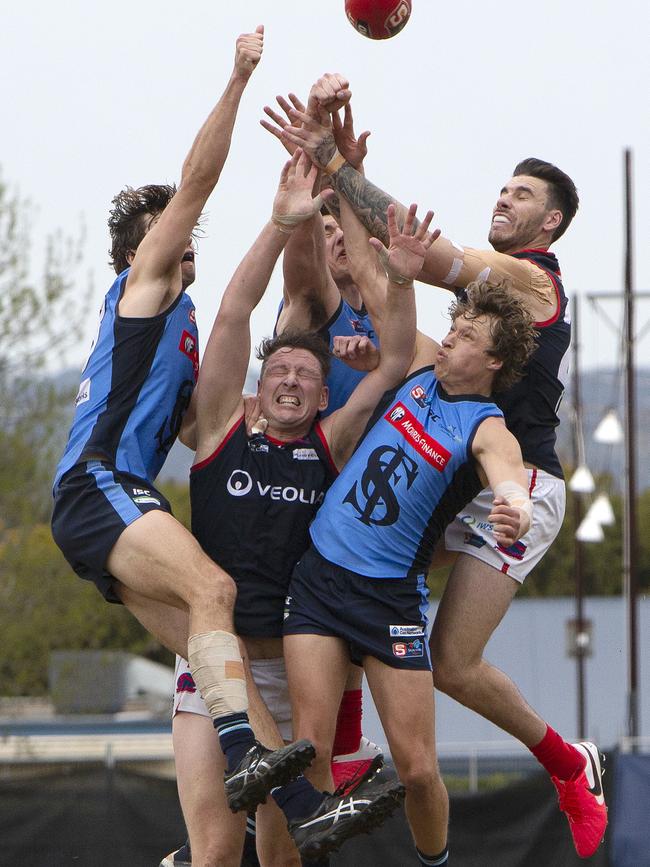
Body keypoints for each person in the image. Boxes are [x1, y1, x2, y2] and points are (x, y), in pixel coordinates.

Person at [278, 72, 607, 860]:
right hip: (468, 473)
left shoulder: (532, 279)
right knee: (357, 546)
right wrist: (379, 349)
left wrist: (337, 166)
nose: (504, 197)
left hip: (517, 480)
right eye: (500, 185)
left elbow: (418, 253)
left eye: (521, 193)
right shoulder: (469, 339)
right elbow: (414, 337)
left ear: (550, 222)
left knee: (454, 663)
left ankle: (569, 765)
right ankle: (350, 742)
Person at [50, 30, 329, 867]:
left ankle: (304, 799)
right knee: (216, 584)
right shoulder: (146, 284)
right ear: (139, 249)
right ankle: (247, 755)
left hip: (118, 506)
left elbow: (237, 333)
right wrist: (239, 78)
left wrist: (287, 240)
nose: (184, 233)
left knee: (224, 658)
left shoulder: (180, 328)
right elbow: (199, 179)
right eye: (169, 227)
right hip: (96, 487)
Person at [162, 152, 437, 866]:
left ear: (323, 397)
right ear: (259, 382)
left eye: (306, 376)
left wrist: (398, 275)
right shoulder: (222, 424)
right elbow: (234, 311)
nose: (290, 379)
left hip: (293, 677)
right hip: (216, 670)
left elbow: (397, 354)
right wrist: (282, 221)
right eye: (278, 370)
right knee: (218, 854)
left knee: (284, 860)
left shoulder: (332, 439)